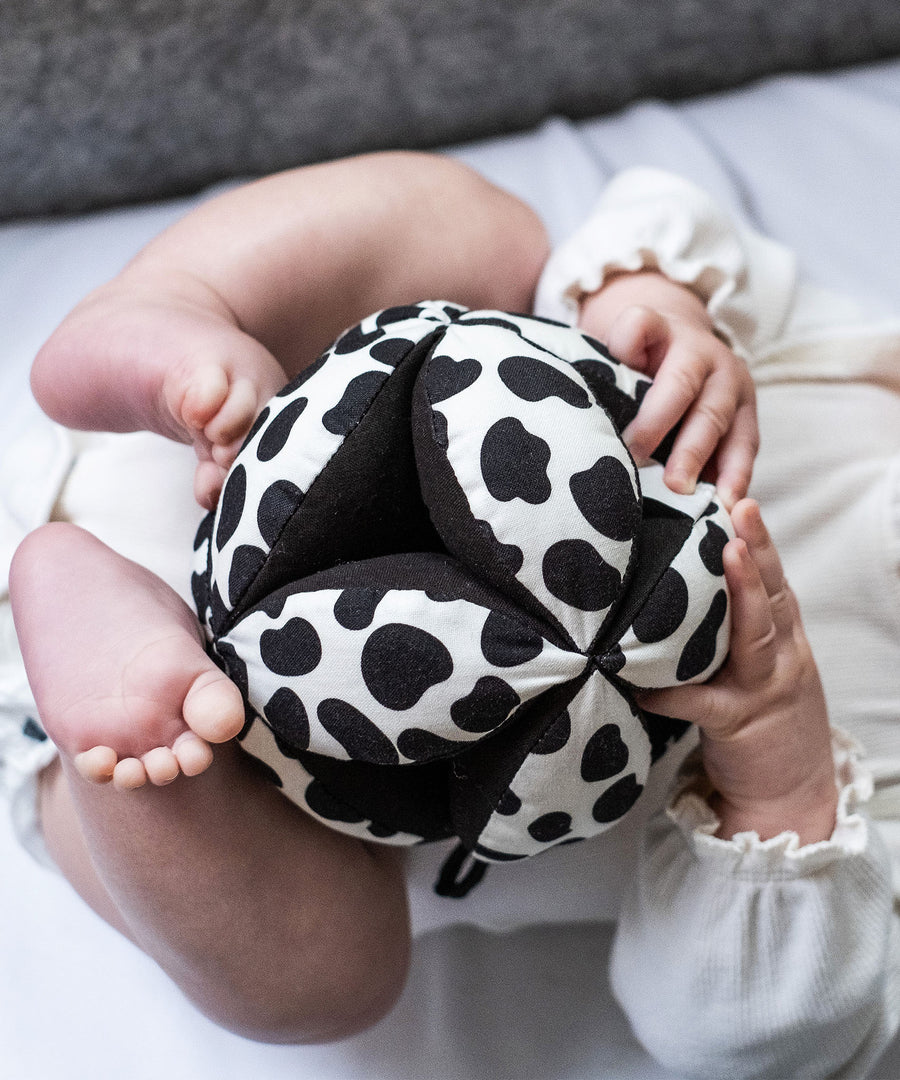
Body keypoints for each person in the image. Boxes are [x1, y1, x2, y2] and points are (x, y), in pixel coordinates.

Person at [3, 152, 895, 1075]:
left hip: (254, 777)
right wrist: (657, 308)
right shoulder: (859, 377)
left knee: (329, 983)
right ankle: (174, 307)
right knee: (491, 233)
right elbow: (664, 212)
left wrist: (782, 786)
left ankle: (134, 693)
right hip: (228, 420)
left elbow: (736, 1035)